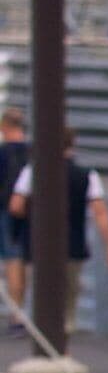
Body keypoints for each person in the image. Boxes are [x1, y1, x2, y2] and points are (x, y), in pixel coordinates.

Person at [10, 140, 108, 329]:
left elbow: (16, 205)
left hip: (39, 244)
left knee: (42, 294)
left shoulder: (33, 171)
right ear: (72, 146)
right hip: (73, 244)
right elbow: (100, 212)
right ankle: (66, 330)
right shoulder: (87, 175)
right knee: (69, 296)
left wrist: (33, 217)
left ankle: (43, 332)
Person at [0, 110, 28, 311]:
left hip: (6, 210)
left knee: (12, 259)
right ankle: (24, 308)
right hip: (32, 213)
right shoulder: (33, 152)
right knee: (25, 259)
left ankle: (16, 311)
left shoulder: (3, 153)